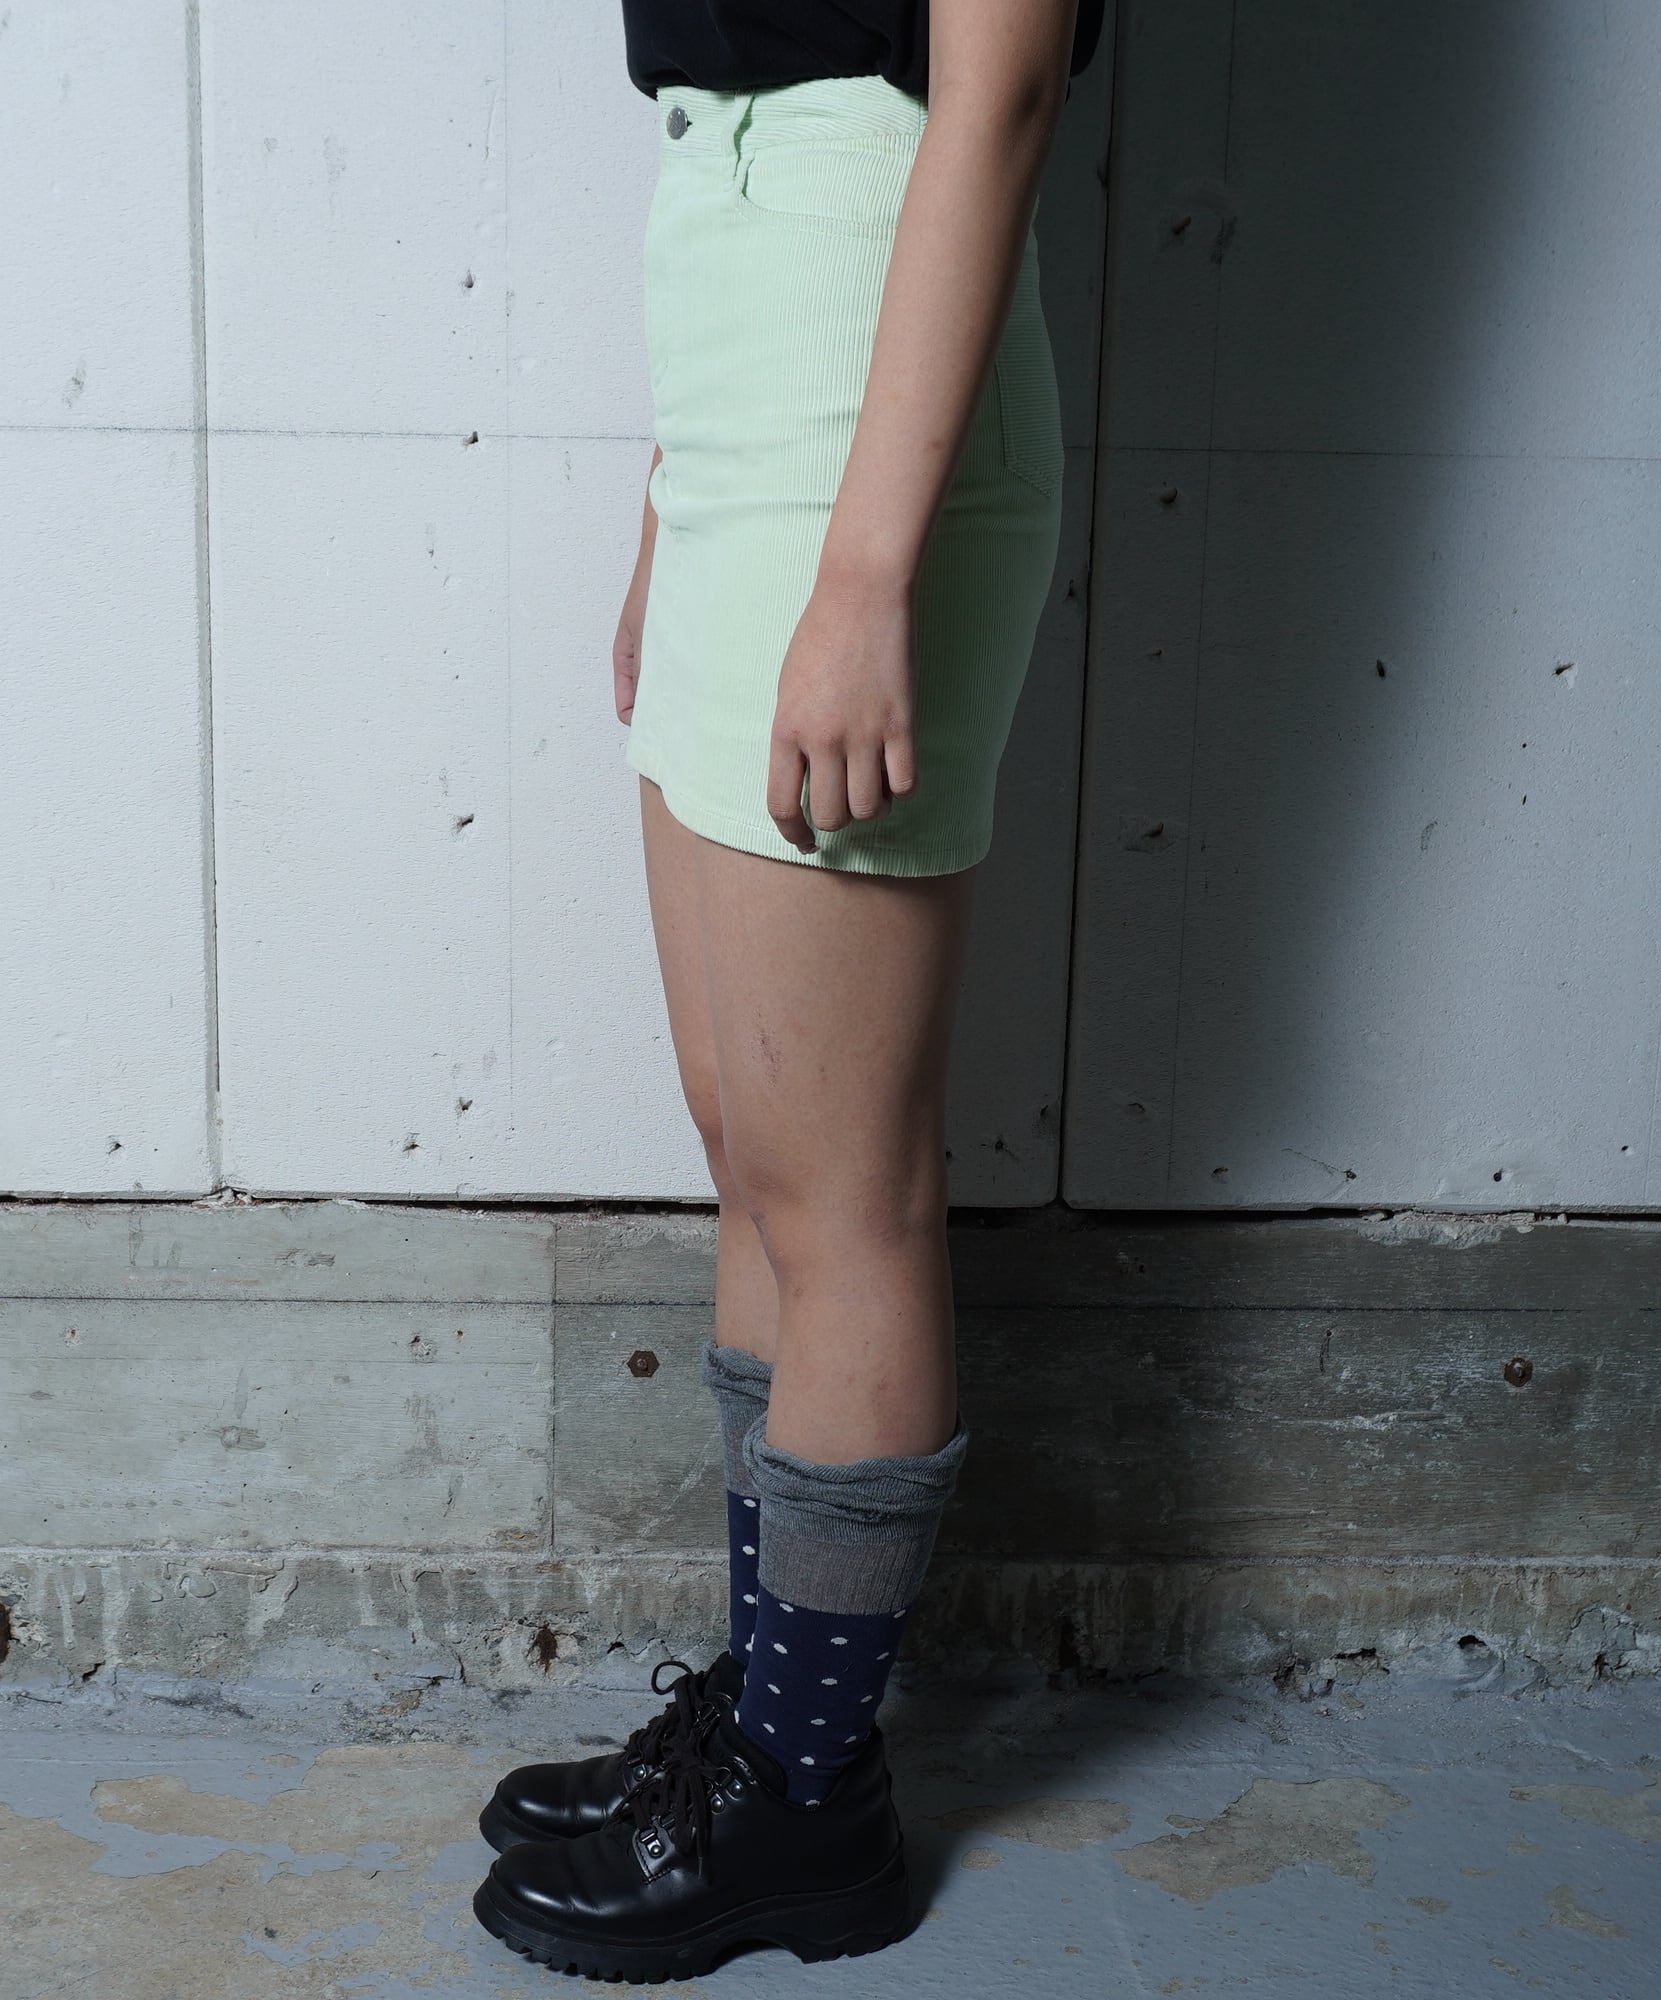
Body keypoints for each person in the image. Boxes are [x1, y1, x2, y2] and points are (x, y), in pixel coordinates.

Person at [473, 0, 1102, 1977]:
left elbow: (998, 79)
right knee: (750, 1140)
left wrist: (863, 575)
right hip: (745, 322)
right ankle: (765, 1724)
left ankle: (808, 1803)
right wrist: (674, 502)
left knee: (841, 1187)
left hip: (864, 340)